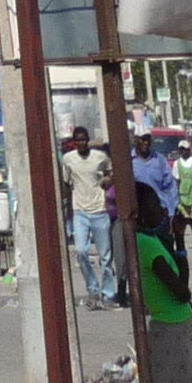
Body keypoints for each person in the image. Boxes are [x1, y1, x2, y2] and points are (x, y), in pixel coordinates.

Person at [135, 185, 192, 383]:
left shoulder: (153, 240)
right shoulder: (145, 244)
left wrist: (180, 240)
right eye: (155, 204)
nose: (162, 209)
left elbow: (182, 280)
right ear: (141, 211)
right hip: (169, 330)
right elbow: (183, 293)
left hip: (175, 329)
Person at [60, 126, 115, 308]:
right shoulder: (69, 160)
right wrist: (67, 209)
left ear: (88, 140)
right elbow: (67, 184)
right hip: (79, 212)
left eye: (84, 140)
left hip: (99, 211)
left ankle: (108, 294)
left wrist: (108, 180)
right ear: (74, 142)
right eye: (78, 140)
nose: (81, 143)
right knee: (81, 251)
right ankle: (92, 289)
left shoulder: (100, 157)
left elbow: (111, 172)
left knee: (105, 257)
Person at [132, 132, 180, 250]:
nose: (146, 143)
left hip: (159, 215)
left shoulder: (160, 160)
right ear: (136, 140)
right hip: (138, 217)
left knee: (166, 249)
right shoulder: (128, 160)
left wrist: (171, 213)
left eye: (148, 139)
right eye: (143, 139)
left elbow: (169, 187)